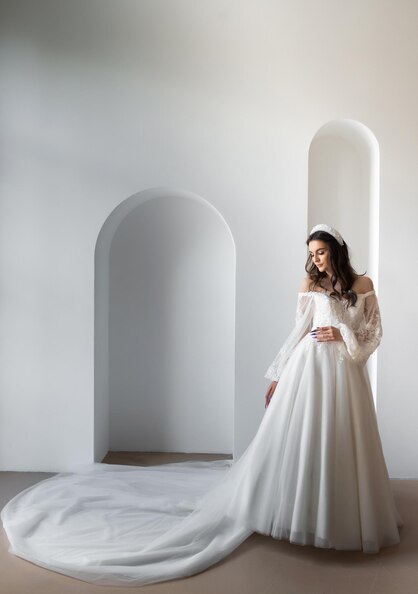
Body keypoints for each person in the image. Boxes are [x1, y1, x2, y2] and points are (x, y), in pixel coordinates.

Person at [1, 224, 403, 587]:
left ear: (336, 248)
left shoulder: (362, 283)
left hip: (345, 375)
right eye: (312, 253)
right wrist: (278, 375)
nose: (315, 259)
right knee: (306, 440)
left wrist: (343, 335)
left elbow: (372, 336)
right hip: (309, 370)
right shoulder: (308, 286)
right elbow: (296, 332)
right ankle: (301, 514)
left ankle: (340, 517)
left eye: (321, 251)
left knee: (343, 441)